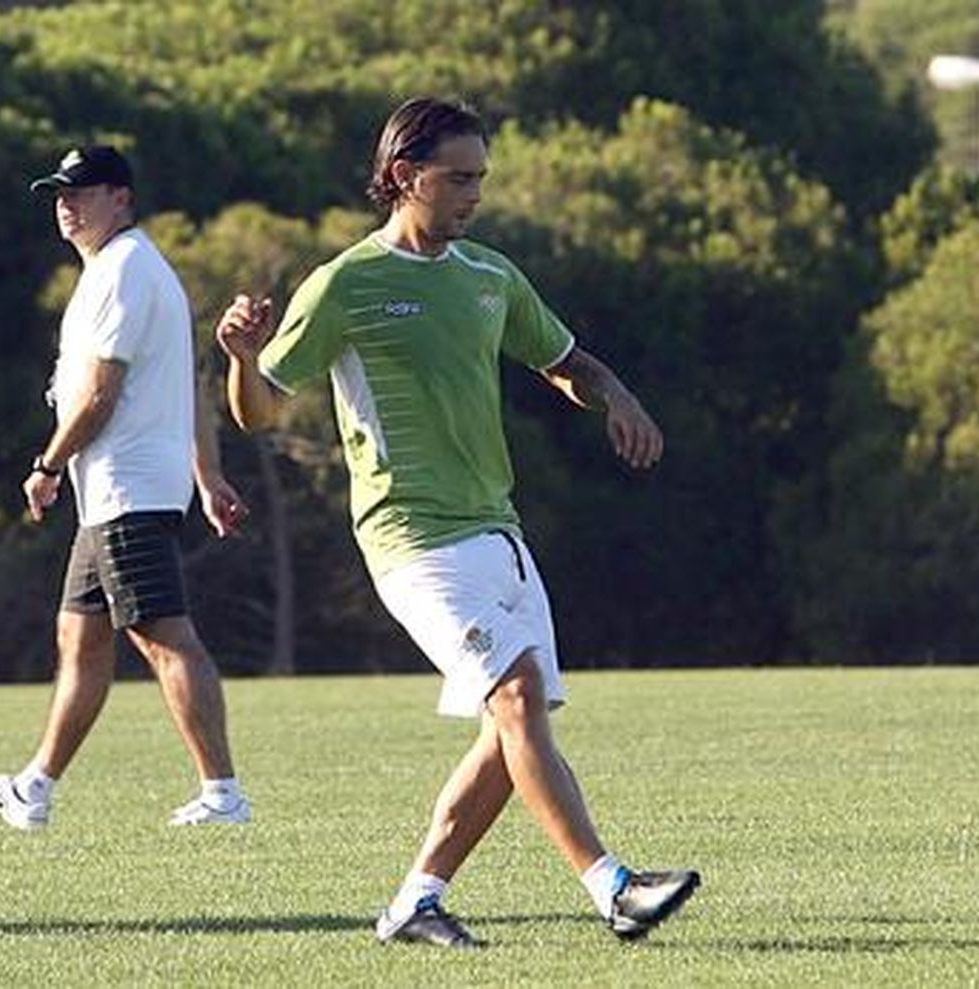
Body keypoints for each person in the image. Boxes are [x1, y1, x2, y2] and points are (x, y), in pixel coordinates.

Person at [217, 98, 699, 947]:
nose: (475, 194)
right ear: (405, 177)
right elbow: (259, 412)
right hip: (412, 538)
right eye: (459, 178)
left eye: (481, 177)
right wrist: (240, 359)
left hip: (498, 535)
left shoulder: (489, 275)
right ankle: (613, 887)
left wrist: (616, 395)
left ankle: (414, 901)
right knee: (514, 698)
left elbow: (564, 360)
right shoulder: (346, 283)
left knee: (512, 733)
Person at [0, 146, 253, 829]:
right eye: (61, 192)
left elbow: (99, 398)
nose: (68, 203)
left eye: (83, 191)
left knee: (163, 635)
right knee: (79, 636)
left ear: (121, 198)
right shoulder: (127, 268)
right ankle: (34, 788)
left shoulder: (124, 270)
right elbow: (192, 389)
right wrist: (208, 477)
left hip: (125, 487)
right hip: (121, 491)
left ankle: (222, 793)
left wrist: (47, 464)